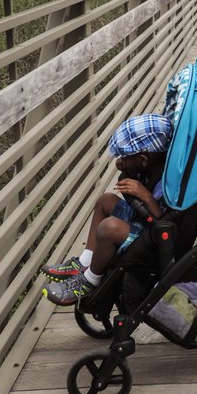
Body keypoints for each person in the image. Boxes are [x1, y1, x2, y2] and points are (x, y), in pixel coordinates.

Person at [40, 113, 172, 306]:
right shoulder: (152, 163)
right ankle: (86, 261)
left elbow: (162, 219)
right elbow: (132, 166)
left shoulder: (166, 181)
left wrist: (145, 195)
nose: (119, 161)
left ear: (143, 160)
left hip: (152, 233)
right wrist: (127, 166)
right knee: (105, 200)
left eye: (124, 157)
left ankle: (89, 281)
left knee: (108, 227)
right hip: (142, 219)